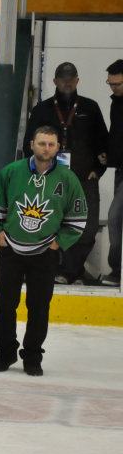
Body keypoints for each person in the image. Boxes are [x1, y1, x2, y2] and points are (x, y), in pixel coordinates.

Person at [0, 126, 86, 375]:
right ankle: (5, 352)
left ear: (58, 147)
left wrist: (57, 243)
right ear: (32, 144)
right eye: (42, 143)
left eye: (51, 144)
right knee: (5, 303)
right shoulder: (11, 172)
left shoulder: (68, 178)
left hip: (45, 253)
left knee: (39, 306)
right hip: (11, 251)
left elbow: (78, 217)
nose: (46, 148)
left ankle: (32, 356)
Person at [23, 62, 108, 284]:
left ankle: (72, 269)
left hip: (83, 180)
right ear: (55, 81)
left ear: (78, 80)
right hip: (51, 179)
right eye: (62, 78)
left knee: (87, 228)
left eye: (71, 78)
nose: (67, 82)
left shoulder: (90, 108)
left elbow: (103, 144)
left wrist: (97, 170)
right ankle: (57, 269)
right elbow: (27, 145)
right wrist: (36, 174)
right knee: (50, 224)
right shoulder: (42, 109)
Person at [101, 59, 123, 286]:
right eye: (110, 83)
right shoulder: (116, 103)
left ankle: (117, 270)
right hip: (120, 170)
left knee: (115, 217)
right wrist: (110, 154)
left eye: (117, 84)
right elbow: (117, 134)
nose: (113, 88)